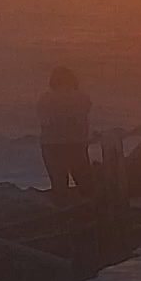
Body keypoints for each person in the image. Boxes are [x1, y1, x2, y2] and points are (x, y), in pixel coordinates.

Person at [39, 66, 94, 199]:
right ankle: (89, 209)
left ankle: (63, 209)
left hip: (52, 145)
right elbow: (85, 112)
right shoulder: (82, 97)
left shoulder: (45, 98)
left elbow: (44, 122)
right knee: (84, 181)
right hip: (77, 144)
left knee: (59, 184)